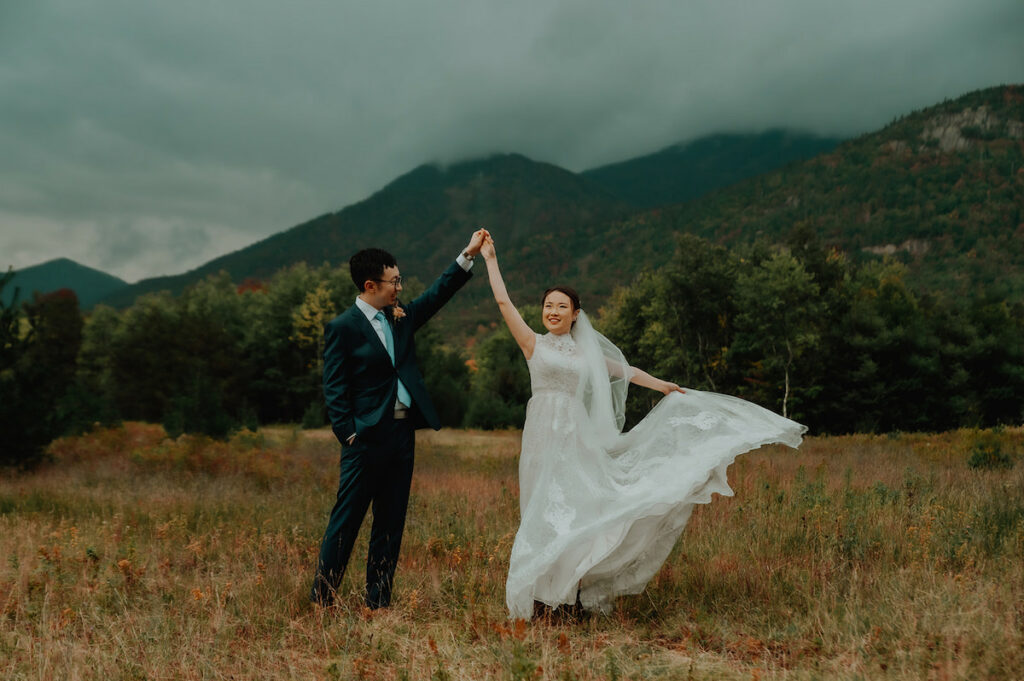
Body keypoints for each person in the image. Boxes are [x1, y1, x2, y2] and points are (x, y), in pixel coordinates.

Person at [477, 235, 807, 619]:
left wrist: (664, 386)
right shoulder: (533, 344)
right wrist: (490, 260)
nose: (553, 311)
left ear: (575, 314)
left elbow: (626, 372)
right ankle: (543, 600)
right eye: (548, 305)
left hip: (577, 438)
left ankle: (571, 597)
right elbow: (503, 302)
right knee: (543, 511)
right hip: (541, 439)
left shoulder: (587, 353)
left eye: (561, 306)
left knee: (579, 511)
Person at [311, 230, 489, 609]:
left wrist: (467, 255)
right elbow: (335, 388)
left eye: (400, 280)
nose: (399, 287)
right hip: (365, 439)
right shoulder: (342, 328)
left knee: (390, 524)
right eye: (394, 281)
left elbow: (437, 295)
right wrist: (349, 435)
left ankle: (377, 602)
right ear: (370, 284)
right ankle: (322, 600)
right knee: (346, 523)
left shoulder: (400, 316)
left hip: (402, 433)